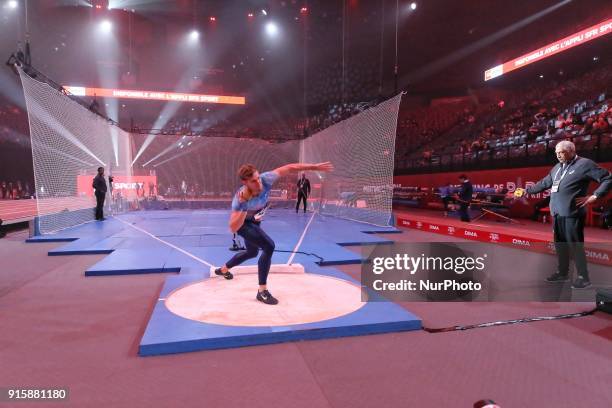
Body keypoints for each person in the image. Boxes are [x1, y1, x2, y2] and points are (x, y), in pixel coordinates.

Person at [215, 161, 334, 305]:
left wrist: (314, 167)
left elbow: (289, 168)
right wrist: (244, 204)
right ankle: (262, 291)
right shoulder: (239, 198)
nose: (258, 183)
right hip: (243, 225)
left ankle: (223, 269)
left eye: (258, 178)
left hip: (255, 222)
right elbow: (233, 228)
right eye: (253, 181)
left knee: (252, 252)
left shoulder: (266, 179)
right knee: (268, 246)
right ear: (245, 182)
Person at [515, 141, 611, 289]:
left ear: (572, 151)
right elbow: (543, 183)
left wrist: (596, 196)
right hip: (557, 213)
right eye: (556, 153)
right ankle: (562, 273)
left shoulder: (585, 164)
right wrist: (525, 191)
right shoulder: (557, 168)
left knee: (575, 246)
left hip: (572, 213)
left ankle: (583, 277)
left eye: (561, 152)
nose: (558, 155)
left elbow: (607, 178)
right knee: (560, 245)